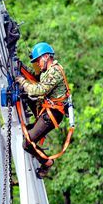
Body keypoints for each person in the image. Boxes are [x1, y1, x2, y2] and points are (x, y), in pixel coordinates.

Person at [16, 42, 71, 179]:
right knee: (26, 95)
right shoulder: (47, 71)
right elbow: (35, 78)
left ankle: (47, 163)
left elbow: (40, 89)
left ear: (46, 57)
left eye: (38, 61)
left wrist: (22, 82)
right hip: (45, 108)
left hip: (52, 114)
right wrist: (20, 67)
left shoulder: (55, 71)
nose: (38, 65)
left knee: (27, 143)